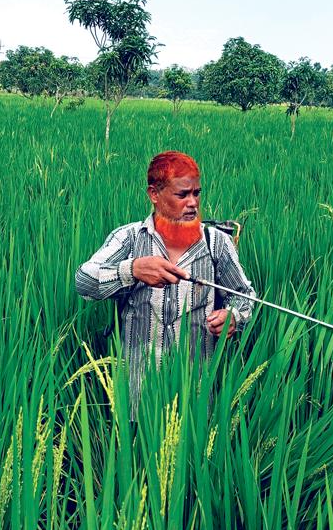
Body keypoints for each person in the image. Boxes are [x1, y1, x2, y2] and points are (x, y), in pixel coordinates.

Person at [75, 151, 256, 409]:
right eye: (182, 195)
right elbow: (83, 282)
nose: (193, 203)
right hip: (136, 399)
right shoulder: (129, 239)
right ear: (154, 195)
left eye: (196, 193)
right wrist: (132, 270)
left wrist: (234, 317)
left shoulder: (217, 242)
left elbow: (244, 295)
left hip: (196, 396)